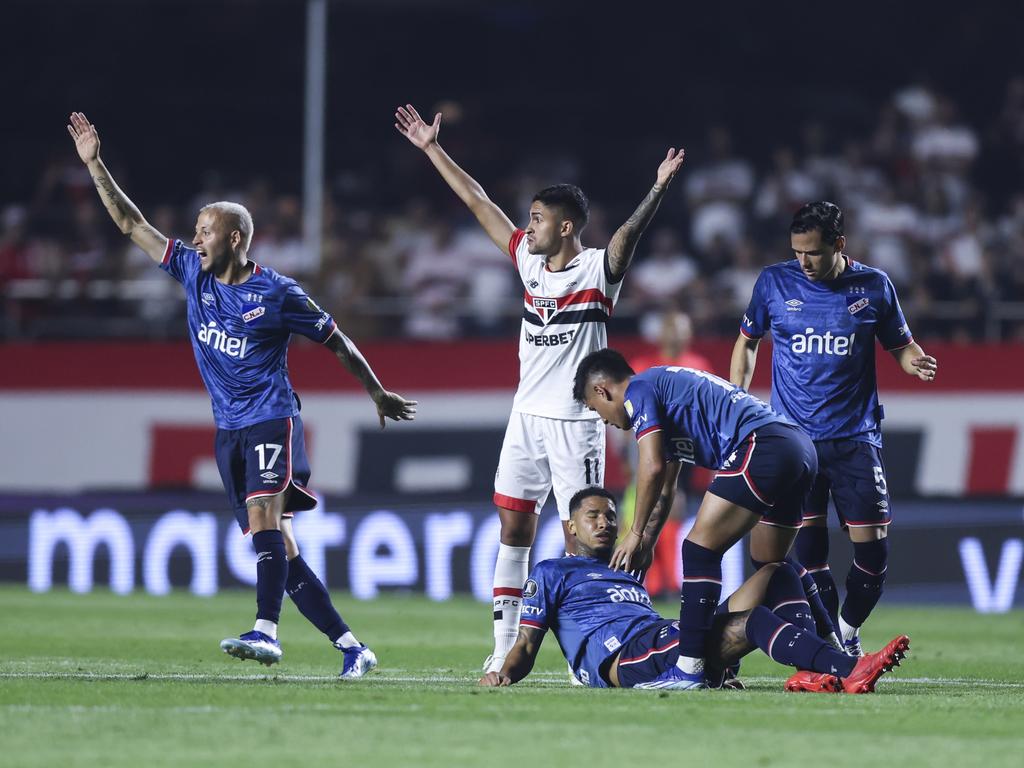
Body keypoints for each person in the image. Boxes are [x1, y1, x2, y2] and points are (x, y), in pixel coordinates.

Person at [67, 112, 417, 677]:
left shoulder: (277, 293)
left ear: (233, 238)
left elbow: (336, 339)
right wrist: (95, 165)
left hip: (271, 419)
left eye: (205, 230)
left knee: (263, 517)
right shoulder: (192, 272)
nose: (194, 237)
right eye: (195, 230)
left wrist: (376, 392)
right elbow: (132, 225)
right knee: (281, 548)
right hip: (228, 428)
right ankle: (354, 647)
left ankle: (265, 631)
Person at [395, 103, 686, 674]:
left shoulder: (598, 272)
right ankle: (504, 646)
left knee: (588, 540)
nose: (527, 227)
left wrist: (655, 190)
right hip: (525, 417)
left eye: (536, 219)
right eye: (527, 219)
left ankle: (598, 643)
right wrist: (432, 150)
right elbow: (479, 201)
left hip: (576, 424)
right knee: (513, 526)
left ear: (566, 227)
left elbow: (628, 235)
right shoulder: (529, 267)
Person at [730, 201, 937, 655]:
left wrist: (913, 362)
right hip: (794, 443)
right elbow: (747, 343)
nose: (803, 263)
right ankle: (833, 643)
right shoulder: (773, 282)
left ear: (840, 245)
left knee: (873, 553)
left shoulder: (874, 286)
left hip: (855, 441)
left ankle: (847, 627)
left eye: (814, 254)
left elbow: (901, 344)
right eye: (797, 252)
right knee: (808, 554)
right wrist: (738, 399)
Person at [480, 487, 909, 692]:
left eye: (611, 515)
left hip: (663, 638)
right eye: (593, 516)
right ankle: (846, 668)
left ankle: (816, 667)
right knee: (754, 622)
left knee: (779, 571)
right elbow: (526, 643)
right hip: (626, 656)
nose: (605, 522)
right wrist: (504, 673)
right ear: (571, 526)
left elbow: (663, 495)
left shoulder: (625, 568)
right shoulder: (552, 571)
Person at [574, 348, 827, 689]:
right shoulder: (666, 393)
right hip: (798, 446)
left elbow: (651, 466)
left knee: (698, 551)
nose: (603, 419)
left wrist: (633, 532)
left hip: (760, 445)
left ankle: (689, 667)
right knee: (773, 566)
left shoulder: (640, 390)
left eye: (596, 409)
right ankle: (828, 656)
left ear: (602, 390)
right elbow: (666, 488)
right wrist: (648, 538)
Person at [620, 310, 713, 597]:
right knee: (641, 507)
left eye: (682, 330)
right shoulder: (642, 365)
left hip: (684, 448)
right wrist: (626, 454)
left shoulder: (699, 365)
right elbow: (628, 414)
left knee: (674, 506)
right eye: (672, 329)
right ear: (661, 334)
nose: (677, 335)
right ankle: (650, 579)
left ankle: (667, 581)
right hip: (646, 447)